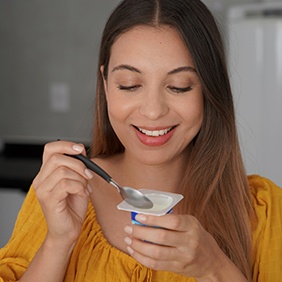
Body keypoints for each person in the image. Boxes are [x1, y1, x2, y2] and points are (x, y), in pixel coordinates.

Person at [0, 0, 281, 281]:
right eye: (130, 85)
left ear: (209, 90)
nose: (153, 111)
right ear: (106, 84)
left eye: (179, 87)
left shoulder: (264, 211)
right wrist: (58, 241)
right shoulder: (62, 194)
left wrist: (215, 268)